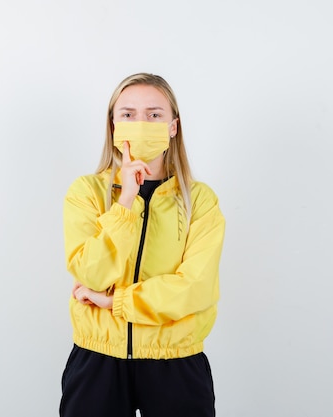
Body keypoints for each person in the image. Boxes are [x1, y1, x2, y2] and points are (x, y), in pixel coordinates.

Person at [59, 73, 225, 417]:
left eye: (154, 114)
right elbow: (91, 271)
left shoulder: (200, 201)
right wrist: (126, 203)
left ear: (173, 127)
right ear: (113, 126)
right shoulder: (86, 193)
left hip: (175, 362)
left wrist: (116, 301)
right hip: (98, 360)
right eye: (128, 114)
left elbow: (194, 288)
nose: (140, 122)